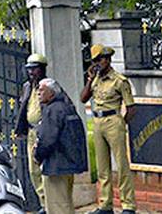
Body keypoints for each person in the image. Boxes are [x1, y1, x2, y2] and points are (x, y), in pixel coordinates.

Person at [80, 44, 137, 214]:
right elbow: (83, 98)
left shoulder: (119, 80)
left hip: (113, 120)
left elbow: (132, 108)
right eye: (95, 60)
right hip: (97, 121)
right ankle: (105, 204)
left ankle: (128, 205)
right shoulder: (95, 78)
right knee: (102, 166)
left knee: (121, 165)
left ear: (108, 59)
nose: (98, 63)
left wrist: (121, 123)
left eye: (101, 59)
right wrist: (89, 79)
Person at [33, 78, 88, 214]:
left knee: (57, 205)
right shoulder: (67, 107)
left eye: (42, 90)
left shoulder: (52, 110)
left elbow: (47, 139)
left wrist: (37, 155)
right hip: (67, 163)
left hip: (56, 165)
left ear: (51, 93)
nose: (38, 93)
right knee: (66, 202)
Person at [14, 52, 49, 213]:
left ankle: (50, 203)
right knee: (33, 170)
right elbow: (24, 109)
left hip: (44, 131)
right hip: (31, 131)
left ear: (41, 69)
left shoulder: (48, 85)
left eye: (34, 69)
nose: (31, 72)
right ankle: (43, 203)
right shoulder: (27, 87)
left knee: (45, 168)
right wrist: (20, 128)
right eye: (29, 69)